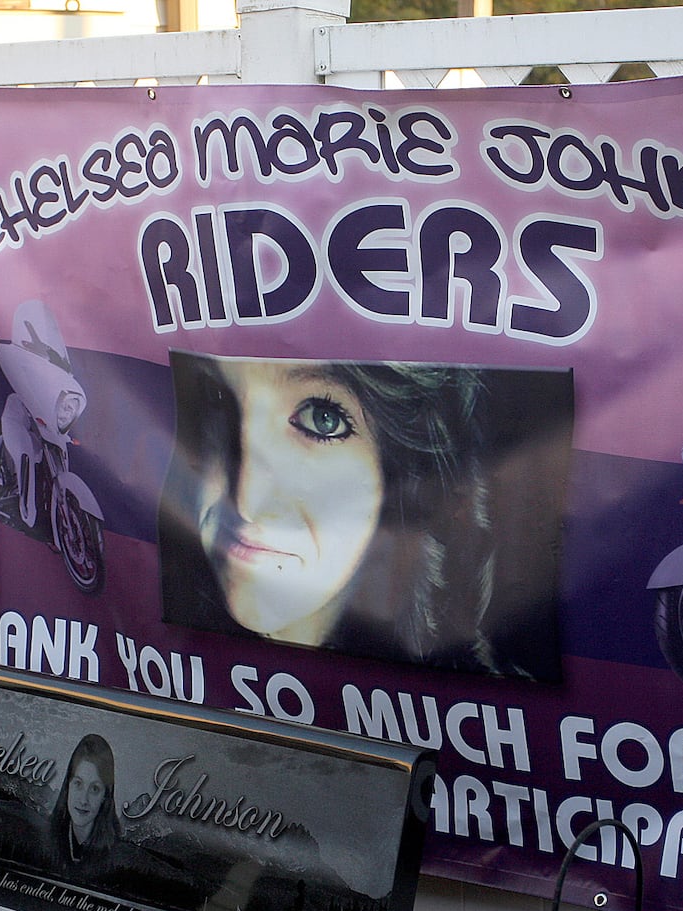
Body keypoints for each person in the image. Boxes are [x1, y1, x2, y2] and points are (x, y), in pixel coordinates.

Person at [159, 350, 511, 677]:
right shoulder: (156, 649)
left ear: (407, 481)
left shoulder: (478, 719)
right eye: (216, 397)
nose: (247, 502)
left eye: (322, 419)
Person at [49, 733, 123, 866]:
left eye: (95, 789)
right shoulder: (47, 838)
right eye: (78, 784)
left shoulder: (117, 856)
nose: (84, 800)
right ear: (68, 786)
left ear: (105, 796)